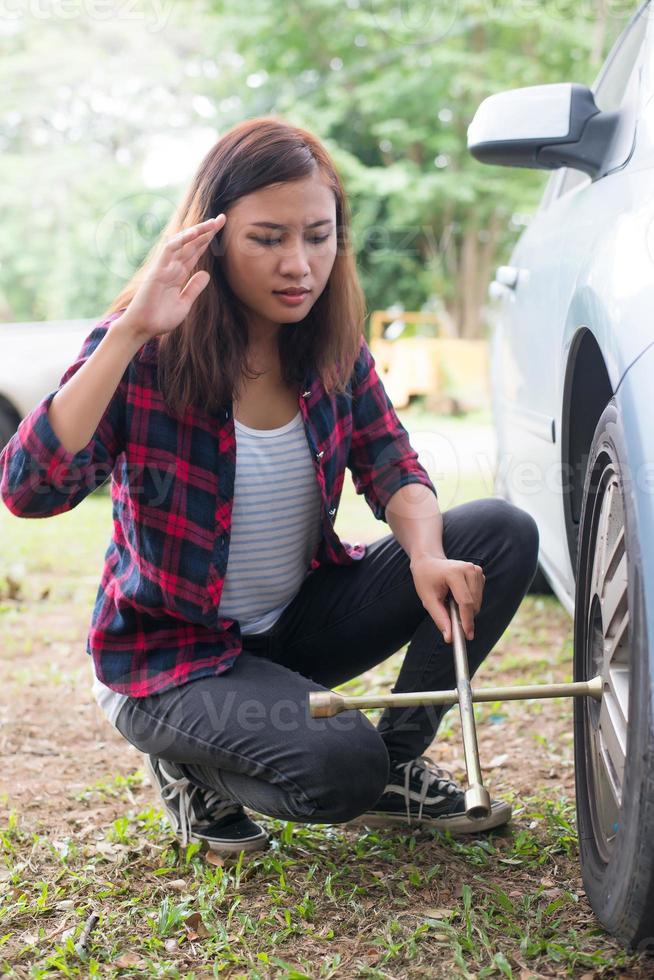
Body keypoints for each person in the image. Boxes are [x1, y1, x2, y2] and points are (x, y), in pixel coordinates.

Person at [0, 117, 539, 856]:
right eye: (269, 238)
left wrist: (423, 552)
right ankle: (190, 761)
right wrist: (127, 335)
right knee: (338, 769)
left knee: (500, 533)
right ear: (213, 239)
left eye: (318, 236)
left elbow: (393, 465)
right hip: (172, 660)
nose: (300, 264)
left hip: (293, 630)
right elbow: (30, 491)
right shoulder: (147, 349)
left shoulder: (333, 345)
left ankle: (400, 761)